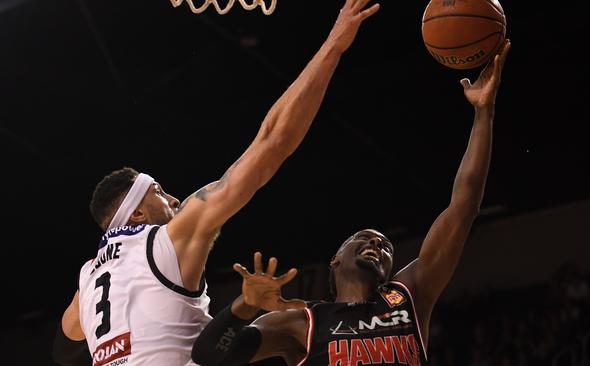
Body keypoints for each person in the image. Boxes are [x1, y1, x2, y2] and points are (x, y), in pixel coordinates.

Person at [51, 0, 381, 365]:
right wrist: (334, 44)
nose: (174, 199)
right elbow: (271, 144)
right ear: (138, 214)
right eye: (159, 192)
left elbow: (63, 350)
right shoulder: (167, 239)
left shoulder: (90, 278)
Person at [191, 40, 512, 366]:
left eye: (385, 246)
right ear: (335, 260)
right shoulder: (302, 323)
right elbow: (209, 356)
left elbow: (463, 207)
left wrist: (483, 113)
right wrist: (244, 306)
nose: (377, 243)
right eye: (364, 239)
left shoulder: (408, 295)